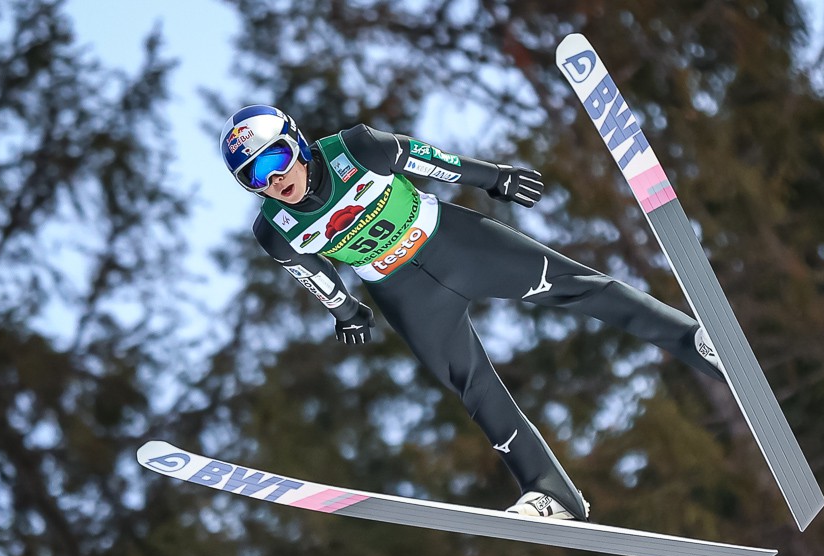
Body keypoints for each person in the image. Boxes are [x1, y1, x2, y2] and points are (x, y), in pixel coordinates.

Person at [220, 105, 725, 522]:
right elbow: (313, 275)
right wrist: (347, 311)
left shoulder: (356, 148)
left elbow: (428, 160)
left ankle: (696, 342)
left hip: (456, 243)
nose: (275, 178)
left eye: (277, 158)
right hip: (405, 293)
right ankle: (550, 490)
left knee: (578, 287)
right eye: (255, 176)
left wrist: (495, 178)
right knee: (473, 385)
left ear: (297, 141)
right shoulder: (275, 230)